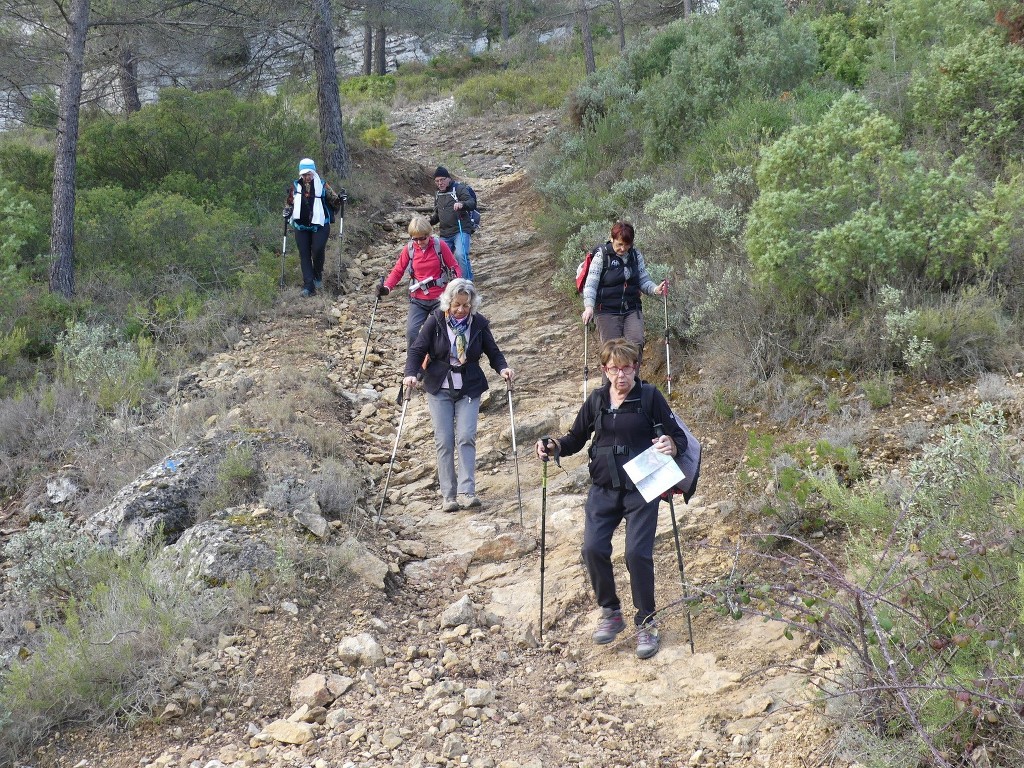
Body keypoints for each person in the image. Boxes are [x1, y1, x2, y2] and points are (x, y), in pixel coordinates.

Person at [535, 338, 686, 660]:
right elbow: (575, 439)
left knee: (636, 554)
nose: (621, 375)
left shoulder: (649, 397)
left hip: (643, 487)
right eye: (614, 368)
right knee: (592, 549)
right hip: (603, 488)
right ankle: (610, 611)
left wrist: (671, 445)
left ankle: (646, 621)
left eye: (627, 367)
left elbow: (680, 439)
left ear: (636, 368)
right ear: (604, 370)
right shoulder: (597, 400)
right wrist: (553, 446)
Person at [404, 279, 514, 512]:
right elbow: (417, 349)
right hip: (439, 385)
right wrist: (411, 374)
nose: (461, 310)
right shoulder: (435, 320)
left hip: (469, 386)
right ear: (448, 303)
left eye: (466, 305)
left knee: (466, 436)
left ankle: (467, 492)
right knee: (444, 441)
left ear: (472, 304)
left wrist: (503, 368)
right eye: (457, 305)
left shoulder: (479, 323)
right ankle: (449, 496)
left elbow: (493, 352)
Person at [580, 221, 668, 370]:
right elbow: (591, 284)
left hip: (632, 308)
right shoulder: (602, 256)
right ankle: (608, 390)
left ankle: (633, 386)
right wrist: (589, 307)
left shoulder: (635, 255)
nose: (623, 248)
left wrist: (655, 289)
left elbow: (643, 279)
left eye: (627, 245)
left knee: (636, 343)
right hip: (606, 310)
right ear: (612, 239)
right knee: (611, 352)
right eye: (620, 244)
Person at [378, 215, 463, 349]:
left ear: (429, 234)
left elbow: (454, 266)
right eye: (415, 238)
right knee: (412, 332)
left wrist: (457, 283)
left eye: (422, 238)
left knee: (440, 332)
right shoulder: (409, 249)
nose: (419, 242)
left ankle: (442, 362)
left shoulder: (439, 245)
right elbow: (398, 271)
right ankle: (414, 364)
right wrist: (386, 288)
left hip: (440, 298)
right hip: (417, 299)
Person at [285, 157, 344, 297]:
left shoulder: (323, 185)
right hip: (301, 225)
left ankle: (318, 275)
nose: (306, 177)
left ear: (314, 172)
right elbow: (289, 203)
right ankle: (308, 286)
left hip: (320, 224)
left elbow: (335, 201)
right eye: (304, 174)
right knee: (304, 254)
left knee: (317, 250)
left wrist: (341, 198)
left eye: (309, 173)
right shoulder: (295, 186)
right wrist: (287, 211)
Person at [430, 166, 477, 282]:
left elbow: (472, 203)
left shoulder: (459, 189)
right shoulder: (438, 195)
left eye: (442, 180)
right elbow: (437, 215)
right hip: (445, 233)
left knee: (461, 255)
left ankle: (467, 282)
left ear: (448, 178)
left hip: (460, 230)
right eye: (437, 181)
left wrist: (462, 204)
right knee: (438, 258)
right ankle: (444, 283)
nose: (440, 183)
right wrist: (427, 223)